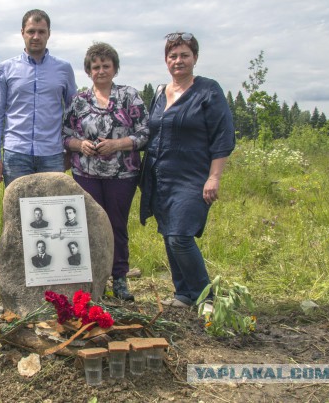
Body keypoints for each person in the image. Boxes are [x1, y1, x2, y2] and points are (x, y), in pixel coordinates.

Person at [139, 32, 235, 311]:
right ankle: (183, 292)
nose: (178, 60)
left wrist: (214, 176)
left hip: (192, 177)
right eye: (173, 56)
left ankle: (206, 297)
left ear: (195, 58)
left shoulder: (208, 90)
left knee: (181, 236)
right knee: (169, 234)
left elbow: (223, 136)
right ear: (166, 61)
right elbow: (150, 133)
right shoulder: (160, 93)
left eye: (184, 55)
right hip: (160, 176)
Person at [63, 42, 149, 301]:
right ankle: (92, 281)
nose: (100, 71)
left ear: (115, 68)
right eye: (95, 66)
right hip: (85, 174)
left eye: (106, 66)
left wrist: (118, 144)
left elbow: (145, 133)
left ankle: (120, 278)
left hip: (122, 174)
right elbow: (64, 134)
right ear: (88, 71)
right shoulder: (79, 101)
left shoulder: (129, 96)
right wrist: (81, 145)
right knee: (87, 227)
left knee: (116, 226)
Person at [0, 9, 77, 185]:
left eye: (41, 32)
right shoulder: (6, 68)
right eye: (31, 31)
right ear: (22, 33)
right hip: (16, 154)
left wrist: (70, 151)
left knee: (53, 209)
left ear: (49, 34)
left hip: (52, 153)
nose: (36, 36)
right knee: (17, 210)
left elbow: (73, 113)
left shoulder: (64, 69)